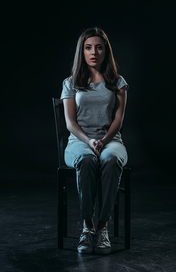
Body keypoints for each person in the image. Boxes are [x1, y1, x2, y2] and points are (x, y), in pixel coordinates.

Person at [60, 27, 128, 254]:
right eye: (88, 47)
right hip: (79, 142)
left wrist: (103, 140)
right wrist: (89, 141)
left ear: (105, 51)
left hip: (111, 140)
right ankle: (87, 227)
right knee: (87, 160)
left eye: (99, 47)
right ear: (82, 51)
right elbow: (70, 123)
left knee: (110, 159)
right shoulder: (71, 83)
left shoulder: (118, 82)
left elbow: (118, 119)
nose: (94, 52)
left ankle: (103, 227)